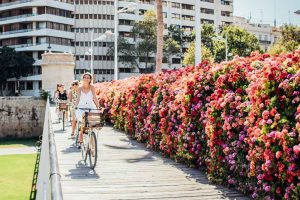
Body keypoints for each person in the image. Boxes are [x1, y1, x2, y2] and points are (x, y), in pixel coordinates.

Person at [75, 72, 100, 144]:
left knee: (93, 124)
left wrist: (98, 107)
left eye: (88, 77)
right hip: (81, 107)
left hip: (90, 106)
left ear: (90, 80)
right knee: (83, 116)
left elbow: (95, 98)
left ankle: (92, 146)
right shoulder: (79, 88)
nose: (86, 78)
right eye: (84, 77)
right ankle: (81, 133)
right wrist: (76, 106)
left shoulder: (92, 87)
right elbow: (78, 98)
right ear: (82, 79)